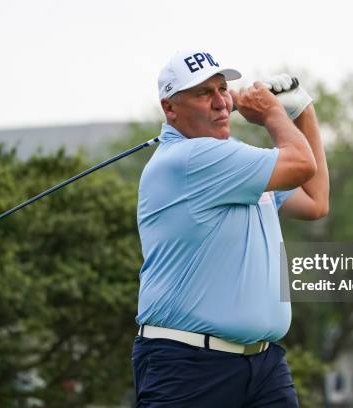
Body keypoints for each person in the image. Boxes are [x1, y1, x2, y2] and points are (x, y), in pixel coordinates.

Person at [132, 49, 330, 407]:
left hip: (263, 365)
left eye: (223, 89)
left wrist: (303, 111)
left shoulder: (233, 158)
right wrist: (272, 113)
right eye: (203, 93)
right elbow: (301, 163)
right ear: (170, 109)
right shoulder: (190, 159)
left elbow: (316, 201)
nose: (220, 102)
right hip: (189, 365)